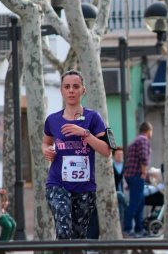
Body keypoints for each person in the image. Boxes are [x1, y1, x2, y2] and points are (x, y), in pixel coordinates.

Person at [41, 70, 112, 240]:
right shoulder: (52, 120)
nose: (71, 90)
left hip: (84, 187)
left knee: (78, 237)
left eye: (75, 86)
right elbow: (46, 142)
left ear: (83, 90)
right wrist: (46, 150)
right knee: (64, 231)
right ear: (62, 91)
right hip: (58, 183)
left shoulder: (94, 118)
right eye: (67, 87)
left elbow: (106, 151)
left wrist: (85, 134)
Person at [123, 122, 153, 237]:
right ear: (148, 130)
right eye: (151, 131)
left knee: (140, 202)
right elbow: (144, 158)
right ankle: (127, 229)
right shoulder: (143, 140)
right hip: (137, 175)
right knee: (135, 203)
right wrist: (144, 173)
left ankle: (139, 228)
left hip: (131, 175)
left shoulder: (135, 140)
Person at [0, 171, 16, 241]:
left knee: (13, 223)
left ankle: (7, 243)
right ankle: (2, 246)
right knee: (7, 225)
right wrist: (0, 195)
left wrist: (4, 202)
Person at [113, 146, 127, 223]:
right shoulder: (110, 166)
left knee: (122, 207)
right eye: (118, 154)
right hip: (113, 192)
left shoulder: (126, 166)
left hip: (124, 192)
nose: (120, 156)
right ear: (114, 156)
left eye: (121, 154)